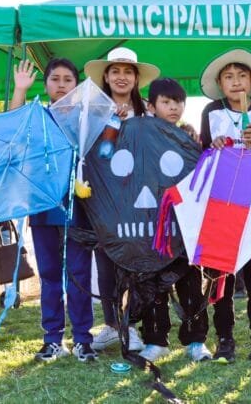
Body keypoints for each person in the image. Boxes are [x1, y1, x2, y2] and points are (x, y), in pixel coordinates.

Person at [9, 58, 98, 363]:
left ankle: (84, 339)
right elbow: (13, 131)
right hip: (43, 204)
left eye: (68, 80)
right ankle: (52, 339)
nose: (61, 85)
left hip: (79, 205)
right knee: (49, 273)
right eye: (55, 79)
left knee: (78, 273)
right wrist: (20, 90)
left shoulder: (87, 119)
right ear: (45, 84)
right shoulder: (36, 116)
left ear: (77, 85)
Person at [199, 48, 251, 363]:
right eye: (229, 77)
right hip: (222, 204)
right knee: (222, 276)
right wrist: (215, 146)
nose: (236, 82)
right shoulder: (211, 112)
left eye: (242, 76)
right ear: (221, 84)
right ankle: (224, 339)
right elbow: (202, 154)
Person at [83, 47, 159, 353]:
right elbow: (96, 154)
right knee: (106, 263)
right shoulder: (92, 112)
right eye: (115, 71)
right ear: (106, 76)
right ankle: (113, 324)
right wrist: (113, 126)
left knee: (136, 266)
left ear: (137, 78)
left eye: (128, 72)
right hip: (102, 202)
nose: (121, 77)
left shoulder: (148, 114)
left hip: (140, 202)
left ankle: (132, 324)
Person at [134, 77, 212, 362]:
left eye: (178, 102)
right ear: (151, 106)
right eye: (165, 102)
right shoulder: (138, 136)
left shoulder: (191, 138)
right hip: (151, 226)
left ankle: (196, 340)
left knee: (191, 282)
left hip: (186, 226)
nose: (173, 107)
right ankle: (155, 339)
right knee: (152, 284)